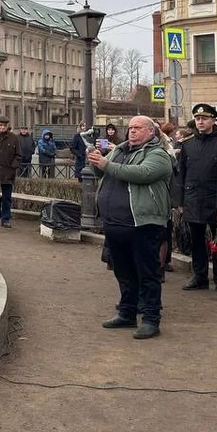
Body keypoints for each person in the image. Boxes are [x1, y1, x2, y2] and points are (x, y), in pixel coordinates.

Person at [90, 116, 174, 340]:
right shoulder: (120, 150)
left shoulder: (158, 154)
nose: (132, 132)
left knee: (147, 273)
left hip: (143, 224)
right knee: (123, 272)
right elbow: (103, 173)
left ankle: (150, 319)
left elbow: (141, 174)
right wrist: (96, 160)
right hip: (116, 223)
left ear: (150, 132)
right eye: (130, 128)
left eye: (137, 128)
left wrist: (107, 164)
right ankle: (127, 313)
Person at [175, 103, 217, 292]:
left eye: (204, 119)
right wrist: (180, 202)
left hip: (215, 199)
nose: (200, 122)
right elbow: (181, 175)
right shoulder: (188, 144)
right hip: (193, 199)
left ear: (213, 120)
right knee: (196, 240)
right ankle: (199, 276)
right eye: (197, 119)